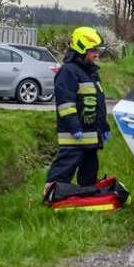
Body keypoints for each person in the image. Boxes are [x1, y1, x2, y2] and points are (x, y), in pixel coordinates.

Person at [45, 27, 110, 196]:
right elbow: (66, 104)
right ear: (82, 50)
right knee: (64, 168)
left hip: (90, 135)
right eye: (93, 50)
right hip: (73, 136)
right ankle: (51, 195)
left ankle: (86, 197)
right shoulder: (68, 72)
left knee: (90, 171)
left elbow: (98, 105)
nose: (97, 54)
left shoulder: (91, 73)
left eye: (98, 50)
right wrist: (75, 128)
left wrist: (104, 127)